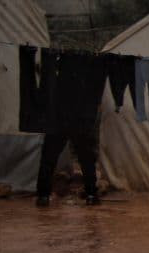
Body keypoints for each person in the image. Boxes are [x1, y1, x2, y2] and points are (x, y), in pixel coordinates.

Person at [34, 50, 106, 207]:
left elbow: (43, 73)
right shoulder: (89, 62)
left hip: (60, 115)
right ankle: (91, 194)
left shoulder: (60, 60)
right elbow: (95, 88)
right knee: (86, 158)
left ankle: (43, 195)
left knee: (49, 157)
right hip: (78, 116)